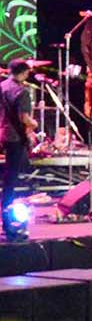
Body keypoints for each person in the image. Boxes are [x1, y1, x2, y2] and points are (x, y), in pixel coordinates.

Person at [0, 55, 36, 213]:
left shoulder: (2, 86)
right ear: (24, 73)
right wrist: (34, 124)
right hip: (15, 136)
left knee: (10, 170)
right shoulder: (22, 92)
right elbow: (24, 118)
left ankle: (8, 201)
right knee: (13, 172)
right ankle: (7, 205)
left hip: (3, 131)